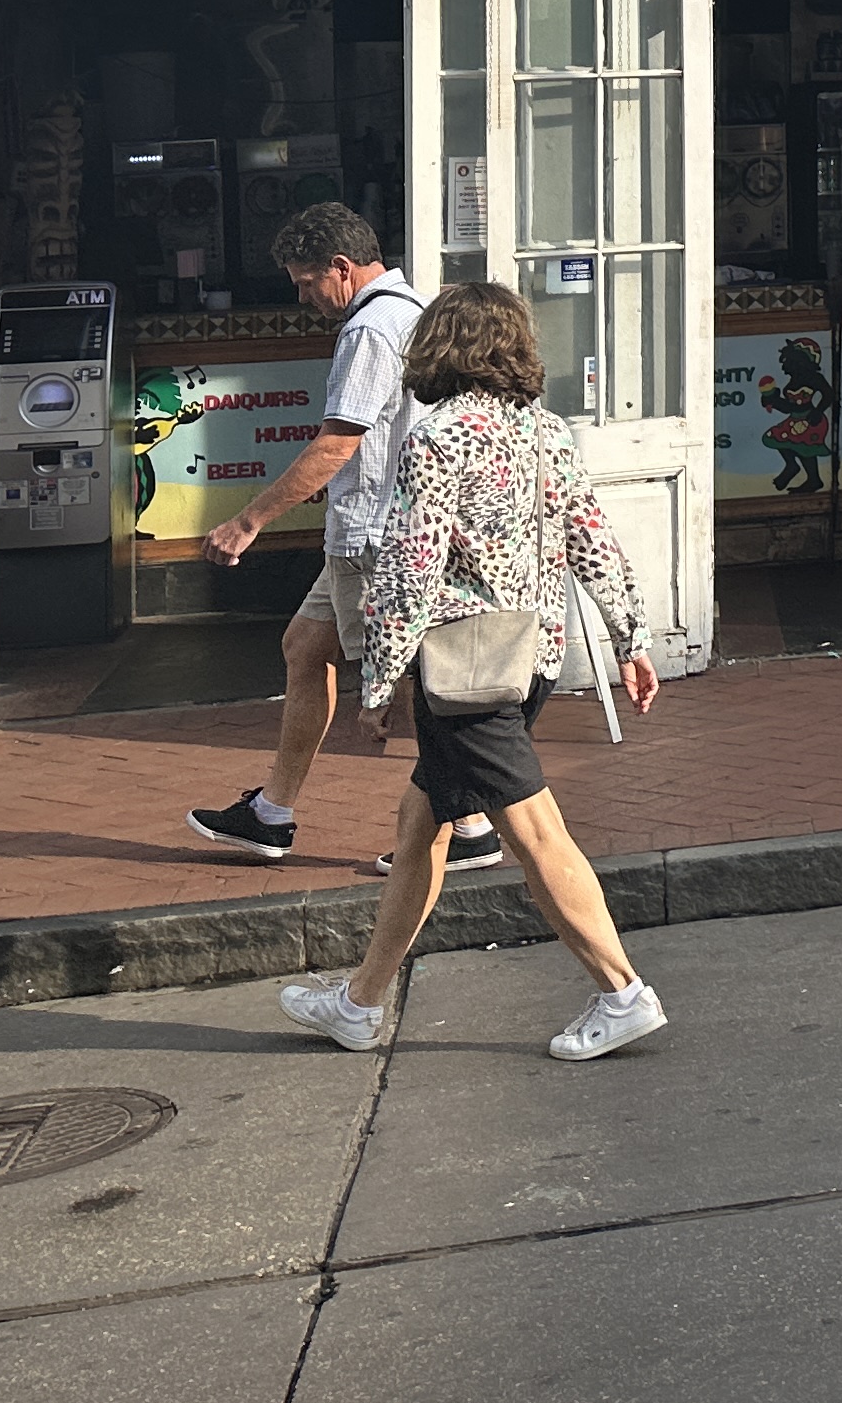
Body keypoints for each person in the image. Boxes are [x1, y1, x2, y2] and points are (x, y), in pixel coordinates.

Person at [277, 283, 673, 1063]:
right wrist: (630, 638)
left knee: (535, 831)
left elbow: (410, 567)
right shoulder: (547, 431)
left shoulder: (438, 437)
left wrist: (379, 681)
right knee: (420, 823)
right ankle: (360, 1003)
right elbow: (592, 537)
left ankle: (622, 991)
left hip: (464, 670)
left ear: (440, 348)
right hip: (530, 659)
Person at [186, 204, 496, 875]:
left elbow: (338, 442)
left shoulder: (370, 329)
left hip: (375, 537)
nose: (304, 298)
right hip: (375, 527)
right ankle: (271, 813)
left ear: (341, 267)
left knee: (409, 681)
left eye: (306, 283)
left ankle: (469, 824)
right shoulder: (413, 310)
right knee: (305, 648)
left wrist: (248, 521)